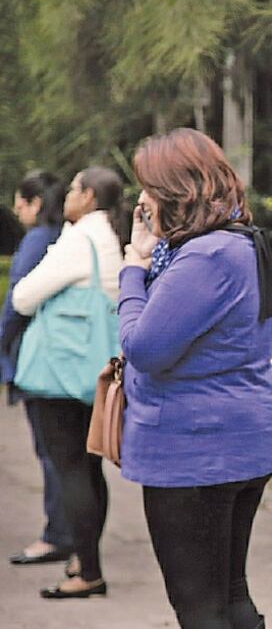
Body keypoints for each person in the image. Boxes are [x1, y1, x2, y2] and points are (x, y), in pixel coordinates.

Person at [120, 128, 272, 629]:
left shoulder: (205, 256)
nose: (142, 199)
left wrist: (133, 266)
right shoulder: (240, 241)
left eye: (148, 186)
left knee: (201, 608)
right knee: (230, 595)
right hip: (238, 438)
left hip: (197, 448)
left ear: (176, 189)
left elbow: (144, 347)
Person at [12, 166, 125, 598]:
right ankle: (85, 558)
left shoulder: (79, 238)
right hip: (93, 370)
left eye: (75, 189)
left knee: (70, 469)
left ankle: (88, 572)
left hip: (61, 374)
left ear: (90, 196)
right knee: (89, 466)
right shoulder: (111, 237)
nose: (68, 196)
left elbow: (24, 296)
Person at [3, 171, 74, 568]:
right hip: (64, 359)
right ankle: (72, 534)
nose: (16, 209)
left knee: (52, 453)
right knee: (68, 456)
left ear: (34, 202)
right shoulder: (66, 238)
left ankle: (58, 536)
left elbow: (18, 302)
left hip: (41, 361)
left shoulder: (37, 240)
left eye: (20, 202)